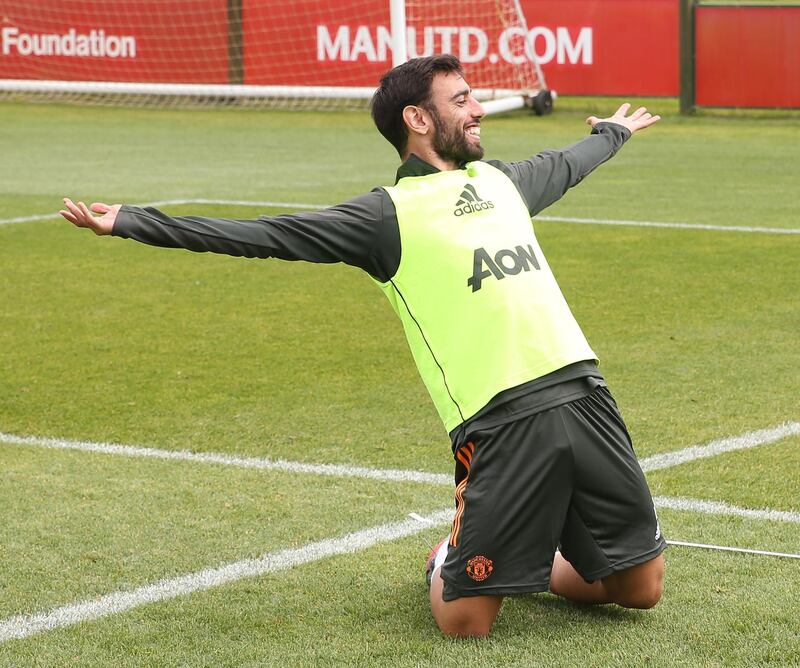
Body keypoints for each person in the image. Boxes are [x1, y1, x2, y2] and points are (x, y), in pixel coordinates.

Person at [60, 54, 666, 638]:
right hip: (499, 420)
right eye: (462, 100)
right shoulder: (386, 216)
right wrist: (133, 221)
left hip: (584, 396)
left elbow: (569, 160)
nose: (479, 109)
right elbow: (264, 235)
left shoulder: (504, 182)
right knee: (467, 625)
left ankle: (526, 559)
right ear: (418, 119)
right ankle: (449, 558)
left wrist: (611, 132)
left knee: (640, 590)